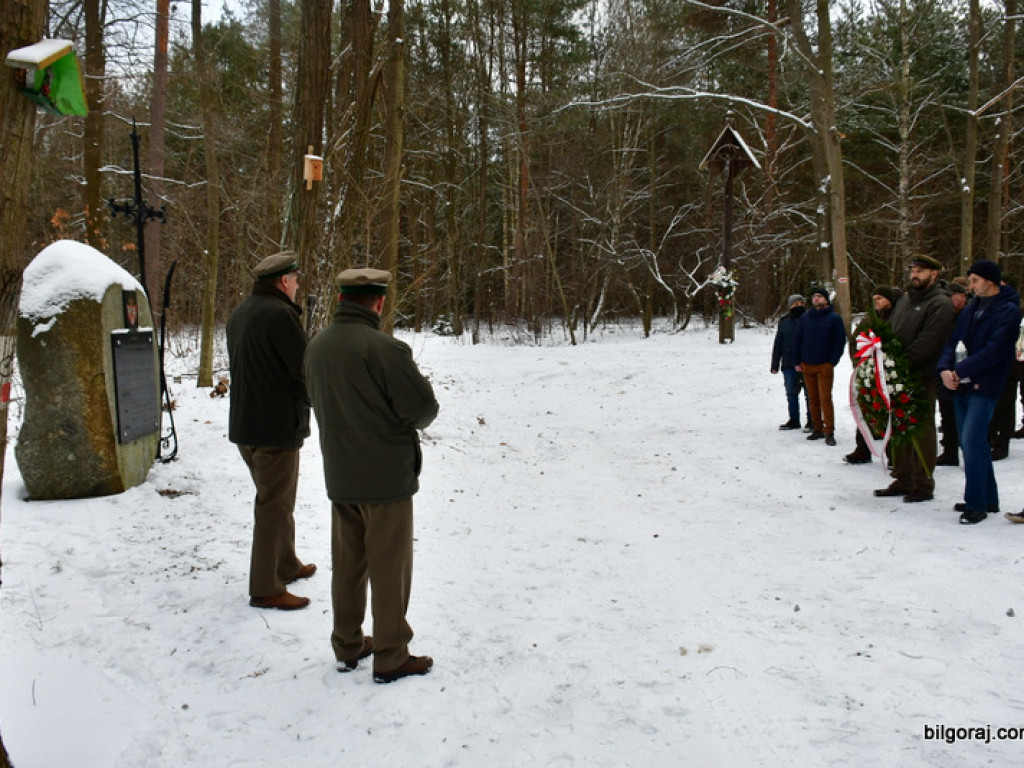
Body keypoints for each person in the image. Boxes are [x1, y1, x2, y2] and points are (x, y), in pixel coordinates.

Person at [305, 267, 440, 684]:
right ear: (378, 302)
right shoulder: (385, 350)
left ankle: (347, 643)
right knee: (390, 568)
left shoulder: (316, 348)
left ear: (342, 299)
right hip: (384, 477)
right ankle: (391, 654)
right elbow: (423, 411)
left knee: (348, 564)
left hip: (340, 473)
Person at [226, 251, 315, 611]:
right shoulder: (280, 315)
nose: (296, 286)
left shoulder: (241, 312)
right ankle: (265, 587)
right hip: (274, 427)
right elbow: (303, 369)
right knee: (273, 505)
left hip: (248, 425)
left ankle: (285, 563)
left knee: (278, 501)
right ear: (283, 282)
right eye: (295, 280)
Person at [937, 259, 1021, 525]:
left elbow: (995, 351)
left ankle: (976, 504)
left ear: (990, 281)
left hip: (985, 385)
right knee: (971, 442)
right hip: (960, 384)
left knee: (973, 441)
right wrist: (945, 369)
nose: (970, 286)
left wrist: (960, 371)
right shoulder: (972, 308)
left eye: (974, 281)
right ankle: (987, 497)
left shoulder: (1008, 311)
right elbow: (952, 341)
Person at [872, 255, 954, 503]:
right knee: (900, 430)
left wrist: (899, 361)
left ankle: (923, 483)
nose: (915, 274)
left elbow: (929, 342)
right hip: (898, 376)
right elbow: (894, 330)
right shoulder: (906, 300)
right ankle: (904, 478)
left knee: (921, 431)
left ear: (934, 274)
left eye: (921, 270)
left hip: (920, 376)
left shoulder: (940, 303)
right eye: (913, 270)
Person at [845, 285, 902, 464]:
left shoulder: (898, 318)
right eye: (874, 298)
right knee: (866, 410)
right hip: (868, 372)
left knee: (891, 413)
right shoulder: (869, 319)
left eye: (880, 298)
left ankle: (893, 454)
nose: (876, 301)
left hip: (891, 374)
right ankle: (862, 448)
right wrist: (860, 364)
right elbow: (855, 342)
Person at [793, 286, 846, 446]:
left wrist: (832, 361)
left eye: (820, 296)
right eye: (814, 296)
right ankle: (817, 429)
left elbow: (839, 342)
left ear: (826, 299)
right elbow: (798, 340)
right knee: (813, 398)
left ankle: (829, 430)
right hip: (807, 364)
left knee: (825, 398)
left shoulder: (834, 318)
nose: (816, 299)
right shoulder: (805, 318)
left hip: (825, 365)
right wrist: (797, 361)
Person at [987, 276, 1022, 461]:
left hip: (1010, 364)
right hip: (993, 362)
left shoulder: (1015, 309)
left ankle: (1003, 442)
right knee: (994, 402)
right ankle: (993, 437)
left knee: (1006, 404)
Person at [936, 280, 969, 466]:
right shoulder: (944, 316)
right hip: (944, 369)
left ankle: (968, 453)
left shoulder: (968, 315)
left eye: (952, 297)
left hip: (965, 370)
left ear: (962, 297)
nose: (949, 301)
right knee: (946, 414)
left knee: (965, 416)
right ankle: (950, 451)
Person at [770, 294, 809, 430]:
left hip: (807, 363)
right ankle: (794, 420)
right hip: (788, 362)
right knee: (791, 393)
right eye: (795, 304)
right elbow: (778, 344)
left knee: (809, 393)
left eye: (801, 303)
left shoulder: (810, 319)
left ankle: (812, 420)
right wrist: (775, 364)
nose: (798, 306)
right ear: (790, 306)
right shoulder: (784, 322)